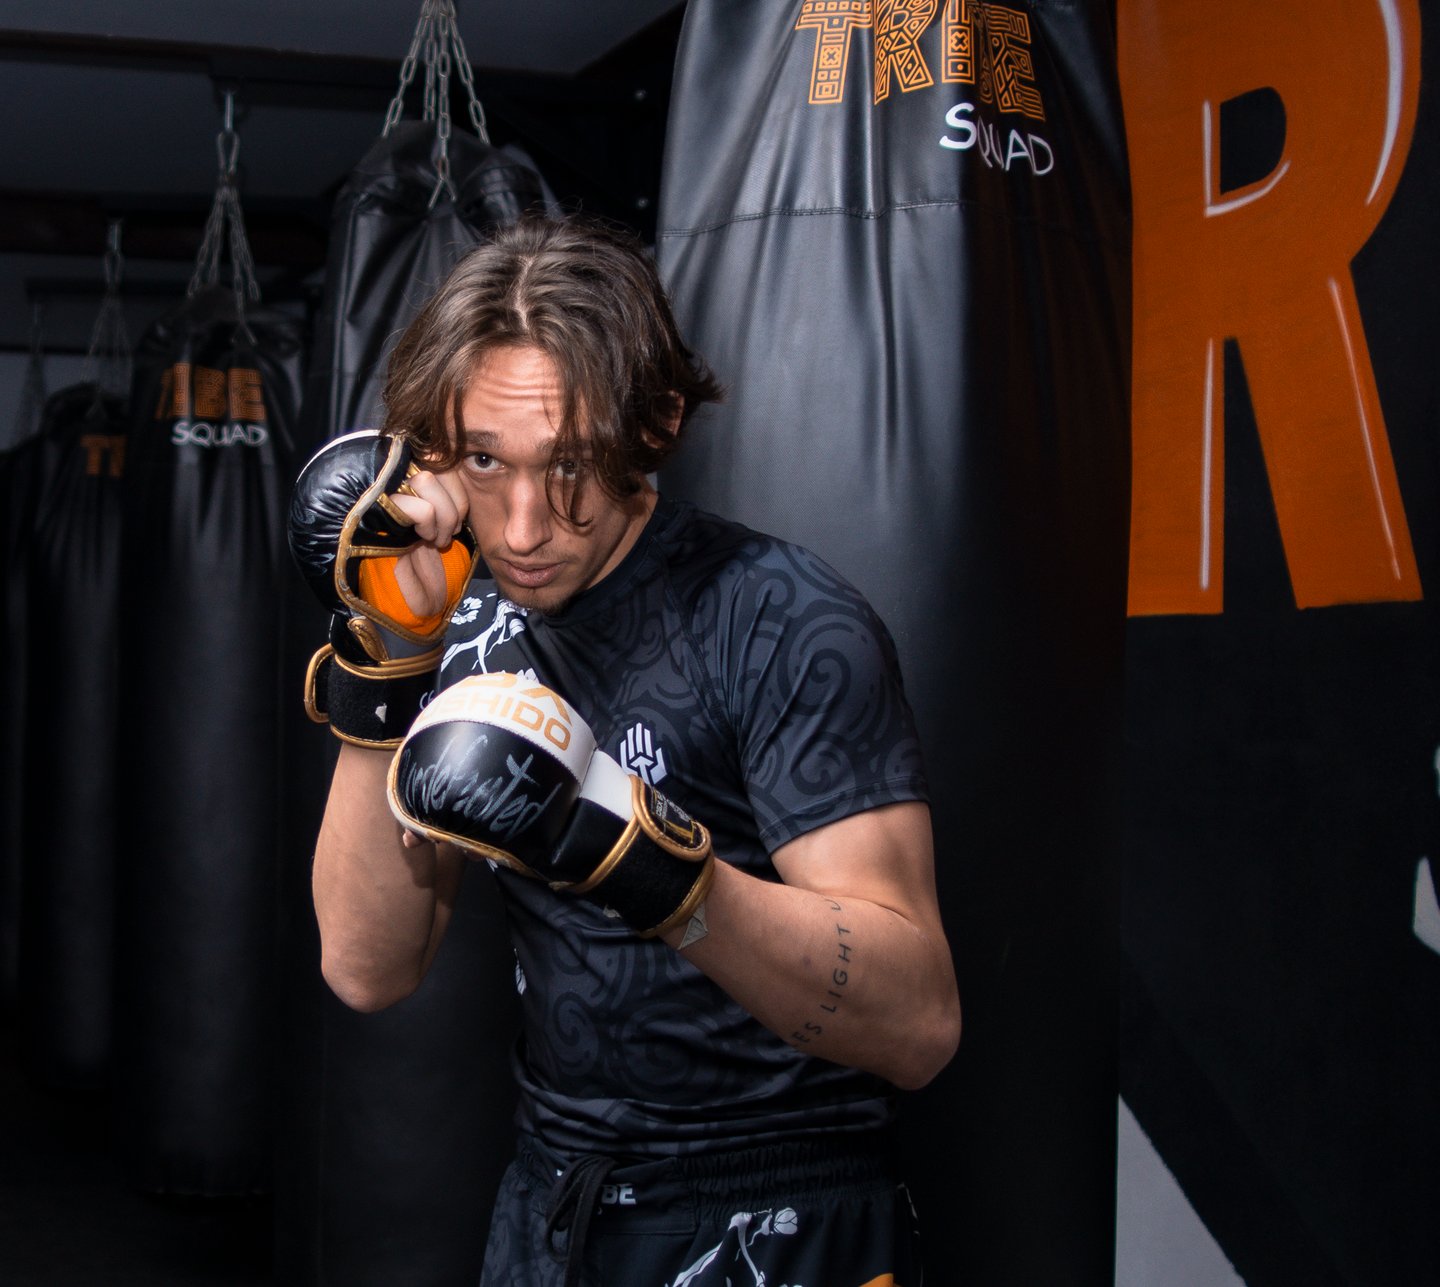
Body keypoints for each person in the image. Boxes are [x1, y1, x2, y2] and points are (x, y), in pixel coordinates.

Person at [296, 215, 961, 1287]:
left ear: (654, 423)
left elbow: (920, 1023)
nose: (521, 528)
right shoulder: (462, 621)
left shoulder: (776, 619)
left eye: (570, 465)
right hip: (557, 1210)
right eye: (484, 460)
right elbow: (366, 970)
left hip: (778, 1215)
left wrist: (640, 862)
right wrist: (392, 657)